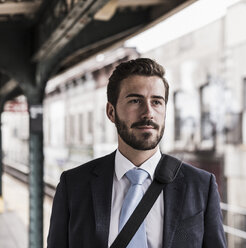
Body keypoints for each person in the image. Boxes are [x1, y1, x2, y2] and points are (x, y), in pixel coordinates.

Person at [47, 58, 226, 248]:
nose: (148, 112)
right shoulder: (74, 185)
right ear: (111, 112)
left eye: (157, 102)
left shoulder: (200, 186)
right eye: (135, 100)